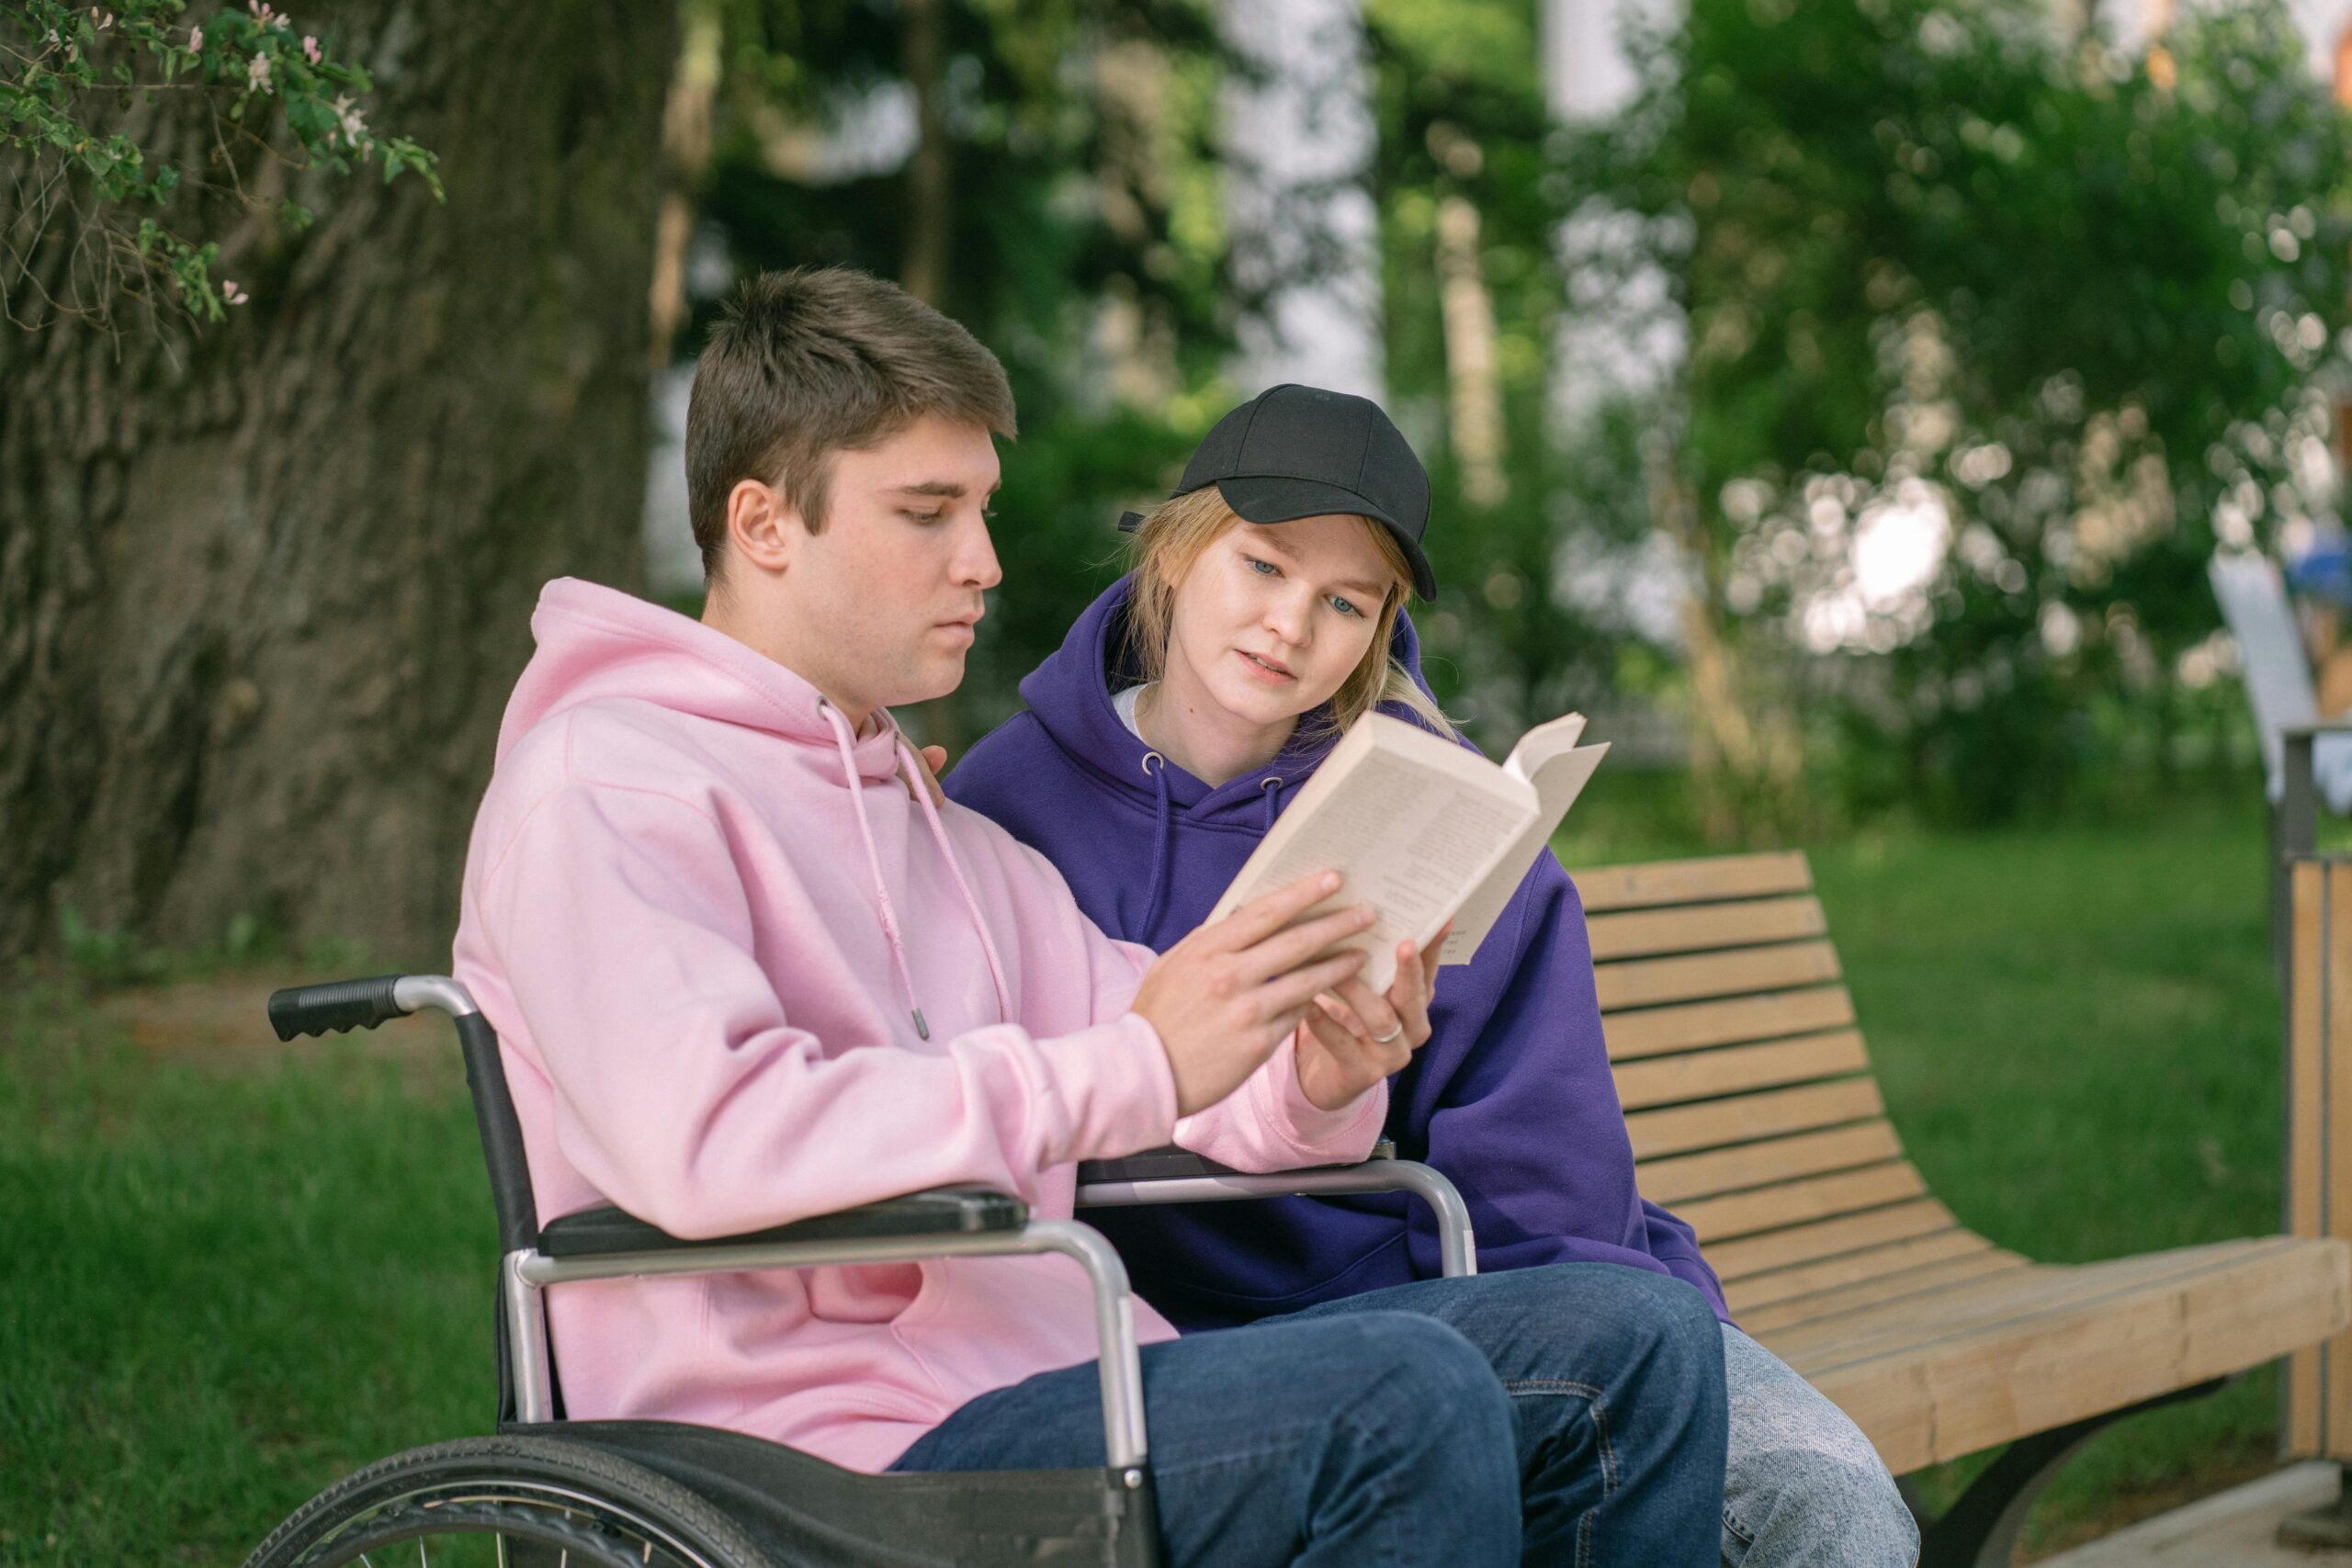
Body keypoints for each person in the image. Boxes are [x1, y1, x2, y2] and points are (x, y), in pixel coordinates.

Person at [451, 266, 1728, 1566]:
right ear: (766, 523)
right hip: (804, 1449)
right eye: (928, 512)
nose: (986, 563)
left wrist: (1316, 1076)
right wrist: (1136, 1062)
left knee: (1637, 1347)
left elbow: (1162, 1037)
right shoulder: (605, 785)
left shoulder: (941, 835)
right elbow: (709, 1138)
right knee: (1403, 1401)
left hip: (1048, 1375)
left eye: (983, 511)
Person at [946, 383, 1918, 1568]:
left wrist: (1621, 1360)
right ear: (1176, 547)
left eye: (1344, 601)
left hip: (1492, 1294)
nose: (1290, 627)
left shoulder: (1437, 810)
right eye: (1260, 566)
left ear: (1381, 622)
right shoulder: (1003, 807)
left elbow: (1550, 1185)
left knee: (1838, 1514)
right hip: (1186, 1351)